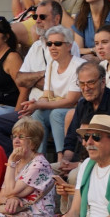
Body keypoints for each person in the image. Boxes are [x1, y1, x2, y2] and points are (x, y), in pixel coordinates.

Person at [18, 25, 82, 155]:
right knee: (36, 114)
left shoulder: (78, 65)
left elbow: (71, 100)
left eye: (57, 43)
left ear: (69, 46)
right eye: (49, 44)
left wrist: (39, 104)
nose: (52, 47)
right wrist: (35, 104)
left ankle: (61, 157)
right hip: (58, 106)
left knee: (56, 114)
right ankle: (38, 157)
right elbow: (46, 96)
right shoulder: (52, 65)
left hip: (76, 108)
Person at [58, 61, 110, 175]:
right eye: (82, 84)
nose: (86, 88)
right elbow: (71, 139)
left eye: (91, 83)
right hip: (76, 161)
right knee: (47, 170)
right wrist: (66, 160)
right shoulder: (82, 104)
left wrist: (79, 164)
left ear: (103, 82)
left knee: (73, 176)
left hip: (101, 163)